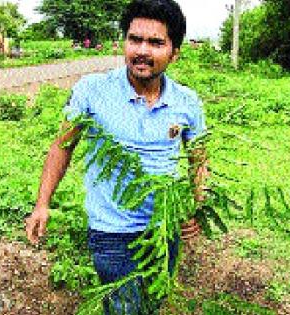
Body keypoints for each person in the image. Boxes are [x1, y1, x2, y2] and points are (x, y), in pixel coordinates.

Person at [25, 0, 208, 313]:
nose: (142, 51)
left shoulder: (187, 102)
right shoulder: (92, 91)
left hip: (164, 229)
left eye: (155, 42)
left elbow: (198, 157)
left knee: (154, 301)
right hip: (112, 232)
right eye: (134, 39)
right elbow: (62, 146)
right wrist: (42, 204)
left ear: (174, 52)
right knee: (124, 307)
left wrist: (195, 205)